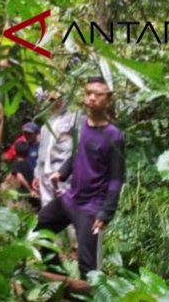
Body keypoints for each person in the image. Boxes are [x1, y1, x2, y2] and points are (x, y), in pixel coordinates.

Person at [36, 76, 125, 279]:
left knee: (89, 269)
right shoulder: (81, 125)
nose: (92, 98)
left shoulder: (114, 135)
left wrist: (106, 213)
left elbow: (116, 178)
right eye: (88, 93)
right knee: (39, 227)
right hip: (70, 198)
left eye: (98, 94)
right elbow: (78, 154)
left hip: (91, 208)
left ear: (108, 99)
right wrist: (63, 171)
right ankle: (54, 274)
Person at [33, 92, 79, 205]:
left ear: (63, 100)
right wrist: (37, 174)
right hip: (45, 172)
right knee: (46, 207)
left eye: (56, 100)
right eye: (51, 101)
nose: (54, 103)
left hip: (62, 172)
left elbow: (79, 147)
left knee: (65, 206)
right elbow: (41, 151)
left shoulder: (73, 119)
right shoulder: (46, 125)